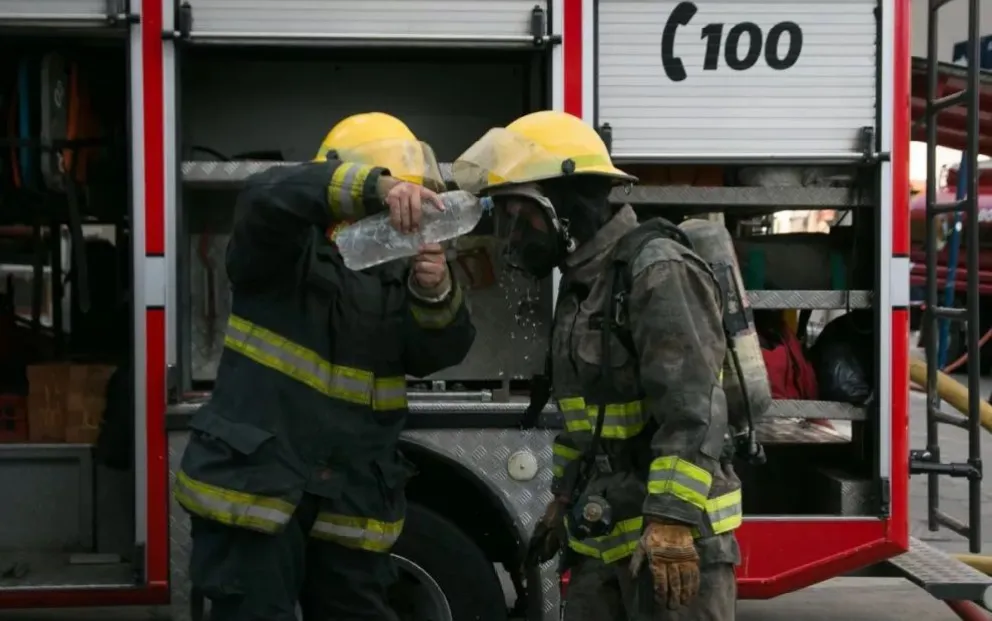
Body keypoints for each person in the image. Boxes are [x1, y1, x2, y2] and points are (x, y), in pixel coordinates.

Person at [174, 112, 476, 621]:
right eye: (396, 201)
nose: (403, 221)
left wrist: (435, 291)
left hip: (350, 502)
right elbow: (266, 194)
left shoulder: (394, 276)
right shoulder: (277, 252)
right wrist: (376, 187)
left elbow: (438, 353)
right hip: (260, 494)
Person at [453, 110, 742, 620]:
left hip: (673, 543)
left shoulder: (657, 272)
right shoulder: (584, 284)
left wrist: (672, 523)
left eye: (520, 214)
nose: (513, 234)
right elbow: (584, 418)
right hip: (605, 537)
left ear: (564, 205)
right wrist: (561, 501)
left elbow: (693, 412)